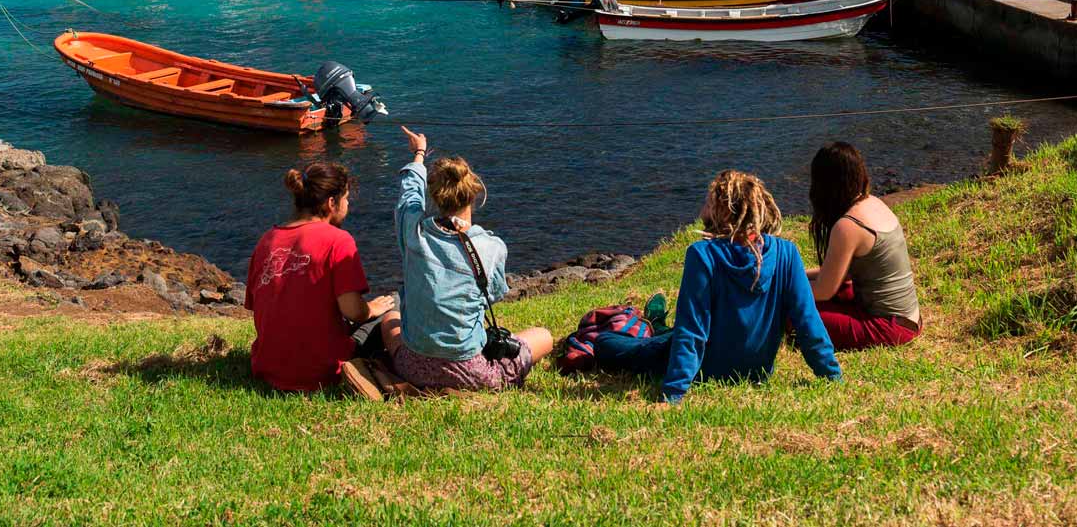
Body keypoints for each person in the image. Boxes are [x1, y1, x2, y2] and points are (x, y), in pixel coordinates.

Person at [590, 170, 841, 402]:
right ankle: (656, 327)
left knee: (605, 342)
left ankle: (648, 329)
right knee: (669, 337)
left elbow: (693, 331)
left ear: (722, 210)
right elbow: (808, 323)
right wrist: (832, 375)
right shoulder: (787, 252)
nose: (703, 208)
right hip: (756, 372)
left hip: (704, 369)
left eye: (709, 202)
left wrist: (674, 393)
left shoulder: (703, 255)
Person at [389, 127, 553, 391]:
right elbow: (494, 294)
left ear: (435, 196)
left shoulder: (413, 231)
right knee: (544, 337)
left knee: (390, 320)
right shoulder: (492, 247)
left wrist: (419, 153)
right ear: (474, 195)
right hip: (469, 373)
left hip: (413, 367)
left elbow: (408, 196)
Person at [245, 162, 397, 395]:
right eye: (346, 199)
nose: (347, 205)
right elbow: (353, 312)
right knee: (395, 302)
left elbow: (259, 305)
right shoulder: (338, 240)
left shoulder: (267, 240)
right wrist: (372, 309)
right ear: (331, 203)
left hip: (267, 367)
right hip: (322, 371)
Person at [805, 142, 921, 351]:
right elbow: (840, 275)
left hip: (887, 327)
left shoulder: (847, 226)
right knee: (835, 291)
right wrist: (799, 275)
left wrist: (783, 289)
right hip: (908, 319)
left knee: (792, 311)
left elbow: (823, 291)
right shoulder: (873, 202)